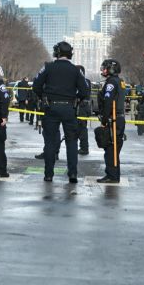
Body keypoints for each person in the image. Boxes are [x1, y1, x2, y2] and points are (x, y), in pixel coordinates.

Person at [32, 41, 89, 183]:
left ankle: (48, 174)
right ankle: (73, 174)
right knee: (72, 142)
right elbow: (85, 90)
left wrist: (43, 97)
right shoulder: (76, 70)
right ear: (70, 53)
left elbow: (36, 85)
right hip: (69, 108)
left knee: (50, 142)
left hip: (51, 107)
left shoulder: (47, 67)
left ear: (56, 53)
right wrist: (76, 99)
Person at [96, 58, 125, 183]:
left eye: (105, 68)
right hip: (119, 118)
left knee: (110, 148)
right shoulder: (119, 81)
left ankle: (112, 176)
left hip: (113, 118)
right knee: (114, 147)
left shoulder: (111, 82)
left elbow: (108, 101)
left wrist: (104, 119)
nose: (103, 70)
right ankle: (114, 174)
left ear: (111, 69)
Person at [76, 65, 92, 156]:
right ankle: (83, 147)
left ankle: (84, 148)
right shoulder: (87, 81)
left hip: (81, 107)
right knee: (82, 128)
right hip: (85, 107)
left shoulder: (81, 82)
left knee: (81, 129)